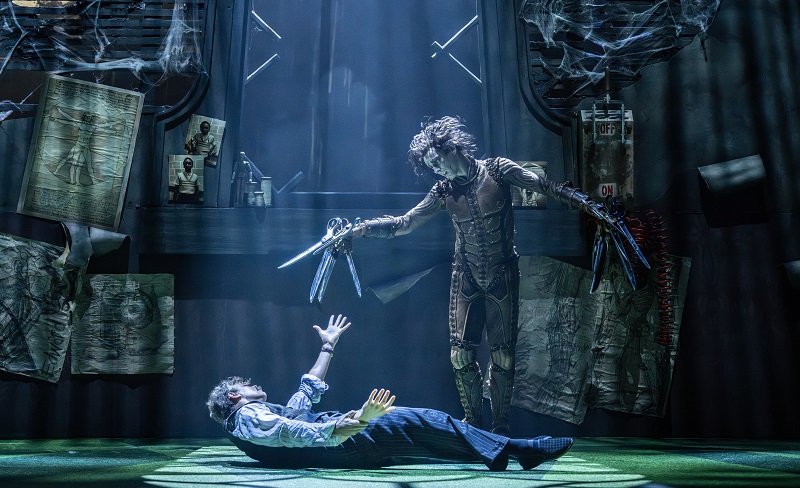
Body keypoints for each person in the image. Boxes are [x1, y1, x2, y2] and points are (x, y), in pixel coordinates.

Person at [352, 116, 604, 436]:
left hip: (502, 274)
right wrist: (362, 229)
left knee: (504, 356)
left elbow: (545, 186)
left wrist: (588, 204)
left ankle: (500, 427)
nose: (437, 170)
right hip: (466, 277)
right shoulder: (443, 191)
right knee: (460, 355)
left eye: (437, 161)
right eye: (431, 167)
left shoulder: (498, 170)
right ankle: (473, 423)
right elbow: (405, 223)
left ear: (451, 147)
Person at [207, 314, 573, 471]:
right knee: (428, 420)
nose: (254, 384)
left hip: (345, 443)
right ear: (235, 397)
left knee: (432, 437)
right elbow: (294, 431)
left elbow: (303, 397)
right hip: (344, 440)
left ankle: (508, 452)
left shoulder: (254, 421)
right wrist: (353, 422)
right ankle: (523, 448)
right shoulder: (247, 417)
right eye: (245, 384)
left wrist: (328, 347)